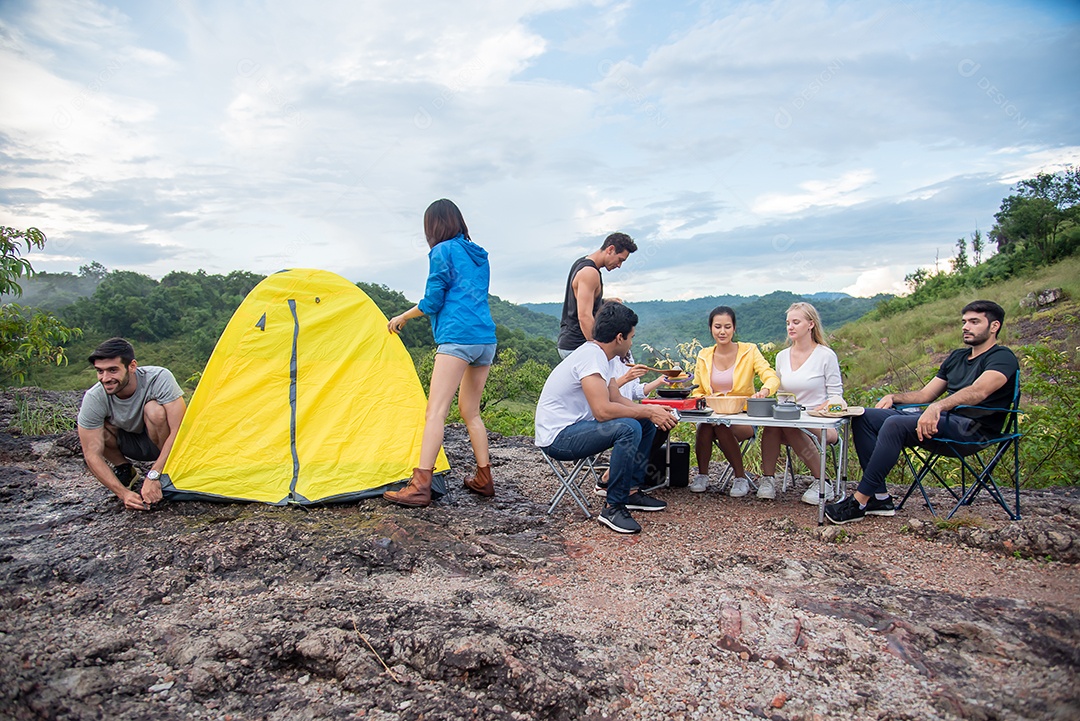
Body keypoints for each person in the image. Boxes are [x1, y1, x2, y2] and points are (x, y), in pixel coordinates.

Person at [825, 300, 1019, 525]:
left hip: (975, 430)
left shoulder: (1002, 357)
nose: (966, 327)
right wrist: (894, 397)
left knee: (895, 424)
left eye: (974, 322)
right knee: (865, 416)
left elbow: (979, 391)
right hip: (944, 421)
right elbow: (926, 395)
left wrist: (938, 407)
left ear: (994, 326)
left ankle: (858, 502)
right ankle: (879, 497)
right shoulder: (957, 357)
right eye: (964, 322)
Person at [384, 199, 498, 507]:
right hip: (485, 337)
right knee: (471, 411)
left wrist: (403, 317)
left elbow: (432, 301)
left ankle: (420, 485)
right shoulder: (479, 255)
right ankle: (484, 479)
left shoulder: (442, 251)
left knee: (435, 411)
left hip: (457, 337)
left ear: (433, 226)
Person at [535, 302, 678, 534]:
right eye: (631, 337)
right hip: (558, 438)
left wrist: (652, 411)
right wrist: (646, 411)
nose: (631, 342)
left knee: (644, 423)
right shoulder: (592, 356)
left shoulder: (604, 357)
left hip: (579, 428)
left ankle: (631, 491)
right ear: (619, 337)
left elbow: (615, 397)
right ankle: (613, 507)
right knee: (629, 428)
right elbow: (602, 410)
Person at [76, 337, 187, 511]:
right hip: (127, 444)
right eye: (100, 371)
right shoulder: (95, 397)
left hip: (162, 442)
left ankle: (168, 469)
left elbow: (180, 429)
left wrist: (153, 475)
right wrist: (123, 494)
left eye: (113, 370)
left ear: (132, 366)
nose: (105, 378)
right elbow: (91, 454)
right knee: (96, 429)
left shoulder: (158, 378)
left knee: (154, 410)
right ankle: (125, 470)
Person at [689, 306, 780, 496]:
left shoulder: (749, 351)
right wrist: (703, 398)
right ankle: (702, 475)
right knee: (705, 425)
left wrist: (764, 391)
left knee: (720, 425)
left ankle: (740, 478)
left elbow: (770, 376)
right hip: (712, 415)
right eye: (718, 327)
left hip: (742, 417)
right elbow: (696, 388)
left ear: (734, 328)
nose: (722, 332)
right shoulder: (704, 355)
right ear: (711, 329)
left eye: (727, 327)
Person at [758, 302, 843, 503]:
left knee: (790, 425)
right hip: (788, 418)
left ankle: (823, 483)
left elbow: (837, 397)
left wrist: (821, 409)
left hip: (819, 420)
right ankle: (768, 480)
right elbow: (780, 393)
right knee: (776, 425)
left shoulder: (825, 355)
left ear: (810, 324)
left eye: (796, 322)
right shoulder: (782, 357)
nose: (791, 327)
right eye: (788, 323)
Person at [557, 232, 638, 358]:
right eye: (620, 260)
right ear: (610, 249)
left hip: (571, 343)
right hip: (578, 345)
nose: (619, 265)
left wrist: (604, 301)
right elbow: (584, 316)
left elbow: (581, 299)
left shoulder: (582, 263)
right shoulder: (590, 273)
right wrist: (600, 352)